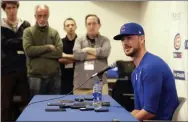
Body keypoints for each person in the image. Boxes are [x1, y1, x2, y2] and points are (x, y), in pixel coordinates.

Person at [113, 22, 179, 120]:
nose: (125, 43)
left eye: (129, 38)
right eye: (123, 39)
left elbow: (149, 112)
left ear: (142, 39)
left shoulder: (151, 67)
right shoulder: (136, 72)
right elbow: (138, 109)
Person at [23, 4, 63, 98]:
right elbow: (29, 51)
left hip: (54, 76)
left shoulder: (54, 32)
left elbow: (59, 53)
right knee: (36, 106)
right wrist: (48, 47)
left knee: (54, 106)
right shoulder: (28, 32)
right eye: (39, 16)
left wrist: (37, 52)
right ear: (35, 16)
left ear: (48, 15)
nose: (42, 18)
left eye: (45, 15)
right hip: (35, 77)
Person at [1, 1, 30, 121]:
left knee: (25, 101)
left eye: (14, 7)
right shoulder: (1, 25)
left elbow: (27, 42)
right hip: (6, 69)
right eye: (9, 8)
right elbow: (3, 43)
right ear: (4, 9)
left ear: (17, 8)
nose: (11, 10)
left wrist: (12, 42)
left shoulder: (25, 24)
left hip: (23, 68)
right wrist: (20, 41)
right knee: (6, 103)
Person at [73, 14, 111, 95]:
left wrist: (87, 49)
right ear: (86, 26)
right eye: (89, 24)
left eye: (94, 23)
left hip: (100, 84)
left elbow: (105, 52)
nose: (91, 26)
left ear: (99, 25)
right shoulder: (79, 40)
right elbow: (76, 54)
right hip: (81, 84)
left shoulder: (105, 40)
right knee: (79, 107)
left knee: (101, 107)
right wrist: (97, 55)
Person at [59, 18, 77, 94]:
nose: (70, 27)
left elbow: (84, 58)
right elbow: (59, 59)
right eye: (68, 25)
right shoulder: (60, 42)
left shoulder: (81, 41)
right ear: (64, 28)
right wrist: (76, 58)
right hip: (64, 77)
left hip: (79, 76)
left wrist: (65, 55)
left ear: (76, 27)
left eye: (72, 25)